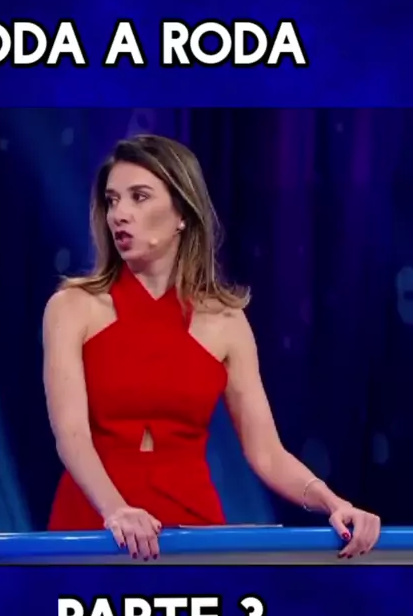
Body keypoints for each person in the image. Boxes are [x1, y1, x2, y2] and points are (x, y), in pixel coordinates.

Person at [43, 134, 381, 560]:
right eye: (112, 201)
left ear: (182, 213)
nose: (119, 214)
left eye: (139, 197)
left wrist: (333, 502)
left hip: (191, 527)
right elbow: (71, 435)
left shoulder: (226, 322)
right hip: (96, 522)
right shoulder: (72, 307)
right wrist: (117, 511)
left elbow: (267, 453)